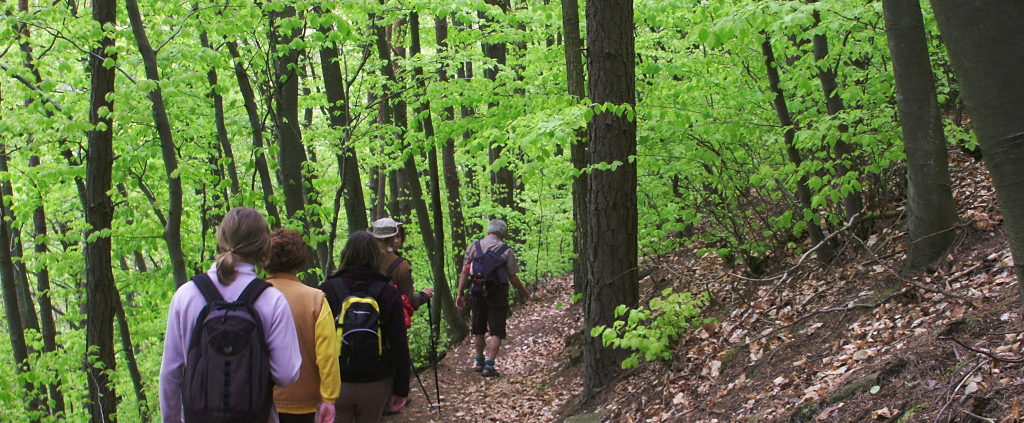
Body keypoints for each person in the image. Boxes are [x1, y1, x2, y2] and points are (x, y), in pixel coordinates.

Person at [160, 206, 302, 423]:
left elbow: (171, 374)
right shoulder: (272, 300)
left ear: (220, 239)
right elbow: (287, 374)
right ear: (265, 247)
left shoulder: (186, 296)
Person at [319, 231, 411, 423]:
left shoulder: (328, 289)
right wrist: (401, 388)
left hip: (337, 382)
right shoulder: (387, 292)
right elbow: (398, 343)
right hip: (376, 381)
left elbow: (318, 340)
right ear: (376, 256)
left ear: (345, 254)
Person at [265, 229, 340, 423]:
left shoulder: (253, 297)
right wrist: (329, 398)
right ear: (300, 259)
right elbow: (327, 356)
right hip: (304, 400)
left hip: (261, 399)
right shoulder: (315, 299)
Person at [455, 219, 530, 377]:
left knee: (478, 328)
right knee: (497, 329)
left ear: (488, 231)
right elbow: (513, 277)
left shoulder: (473, 247)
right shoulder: (506, 250)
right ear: (503, 233)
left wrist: (460, 293)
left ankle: (479, 361)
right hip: (498, 293)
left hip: (476, 290)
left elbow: (464, 272)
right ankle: (489, 366)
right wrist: (524, 293)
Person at [368, 217, 434, 315]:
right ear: (392, 238)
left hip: (363, 321)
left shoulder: (363, 258)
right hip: (390, 323)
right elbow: (411, 302)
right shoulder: (401, 265)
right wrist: (423, 295)